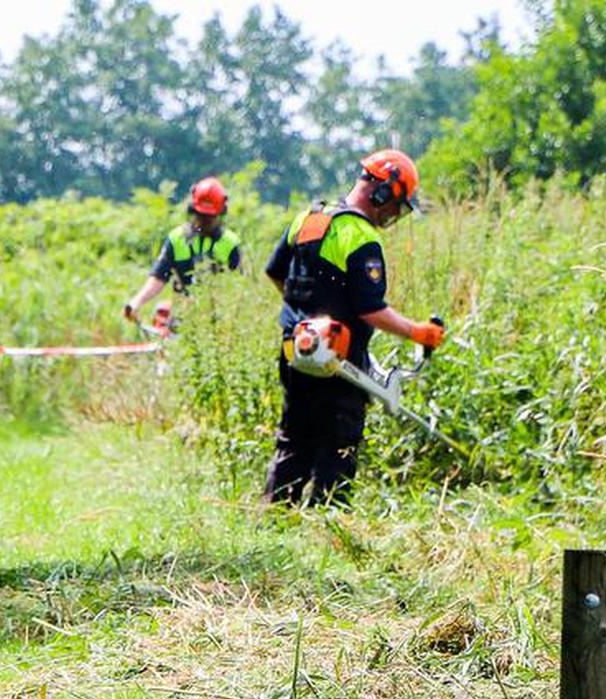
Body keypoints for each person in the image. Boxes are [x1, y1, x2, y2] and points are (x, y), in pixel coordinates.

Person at [261, 149, 443, 505]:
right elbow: (370, 310)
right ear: (383, 191)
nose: (394, 213)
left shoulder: (308, 219)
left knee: (293, 440)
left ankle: (276, 517)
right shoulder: (361, 237)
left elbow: (274, 272)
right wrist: (417, 332)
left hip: (296, 352)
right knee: (338, 447)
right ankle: (328, 528)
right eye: (397, 204)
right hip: (339, 364)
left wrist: (304, 312)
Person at [123, 177, 243, 327]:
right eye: (201, 215)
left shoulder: (230, 243)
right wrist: (136, 302)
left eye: (209, 217)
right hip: (181, 320)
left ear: (220, 213)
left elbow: (241, 291)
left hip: (220, 323)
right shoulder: (176, 238)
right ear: (193, 210)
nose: (204, 221)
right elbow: (159, 277)